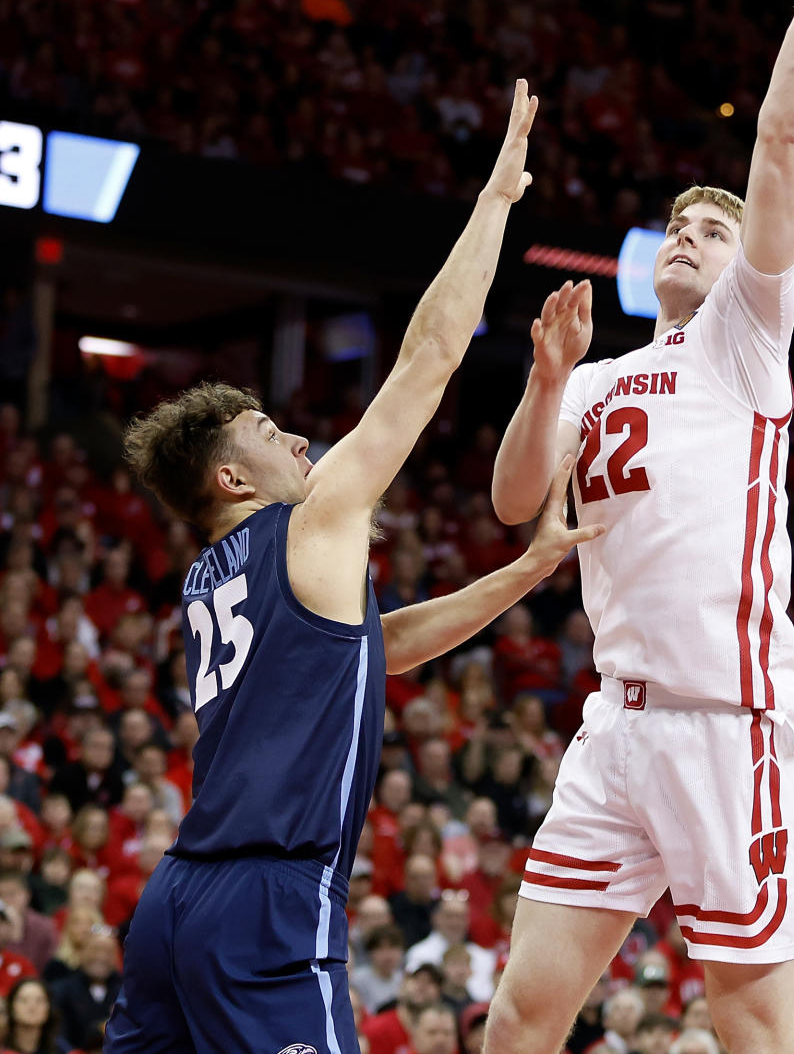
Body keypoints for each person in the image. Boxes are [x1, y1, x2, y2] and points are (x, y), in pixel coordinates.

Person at [103, 83, 604, 1054]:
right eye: (266, 431)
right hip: (269, 904)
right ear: (227, 477)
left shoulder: (216, 576)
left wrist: (524, 570)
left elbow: (384, 645)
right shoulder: (313, 522)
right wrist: (497, 199)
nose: (296, 437)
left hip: (179, 903)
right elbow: (427, 357)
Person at [486, 0, 794, 1054]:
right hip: (621, 721)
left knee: (753, 1022)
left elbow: (779, 141)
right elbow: (513, 504)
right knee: (523, 1012)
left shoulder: (747, 344)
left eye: (714, 230)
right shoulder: (599, 372)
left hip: (731, 722)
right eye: (678, 227)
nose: (693, 237)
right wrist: (546, 385)